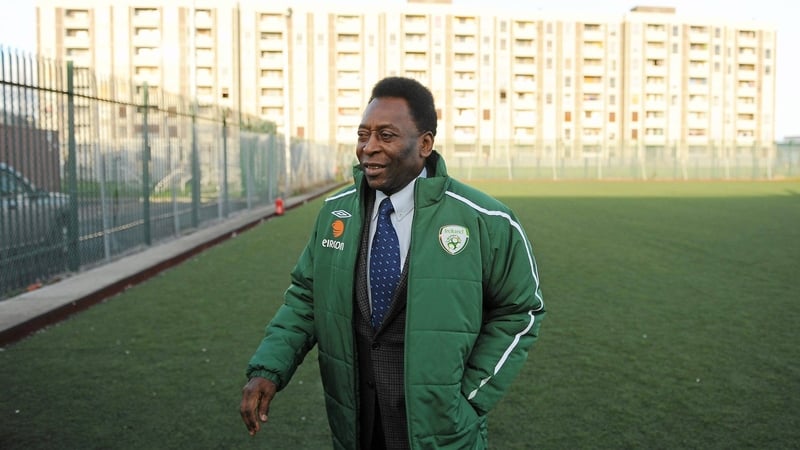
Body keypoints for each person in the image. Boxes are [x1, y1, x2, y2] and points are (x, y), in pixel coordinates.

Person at [240, 76, 546, 449]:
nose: (368, 148)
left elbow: (521, 310)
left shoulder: (485, 219)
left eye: (386, 136)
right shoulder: (336, 214)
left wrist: (467, 397)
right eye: (362, 135)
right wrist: (268, 370)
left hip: (440, 427)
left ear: (425, 144)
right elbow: (306, 298)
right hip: (357, 422)